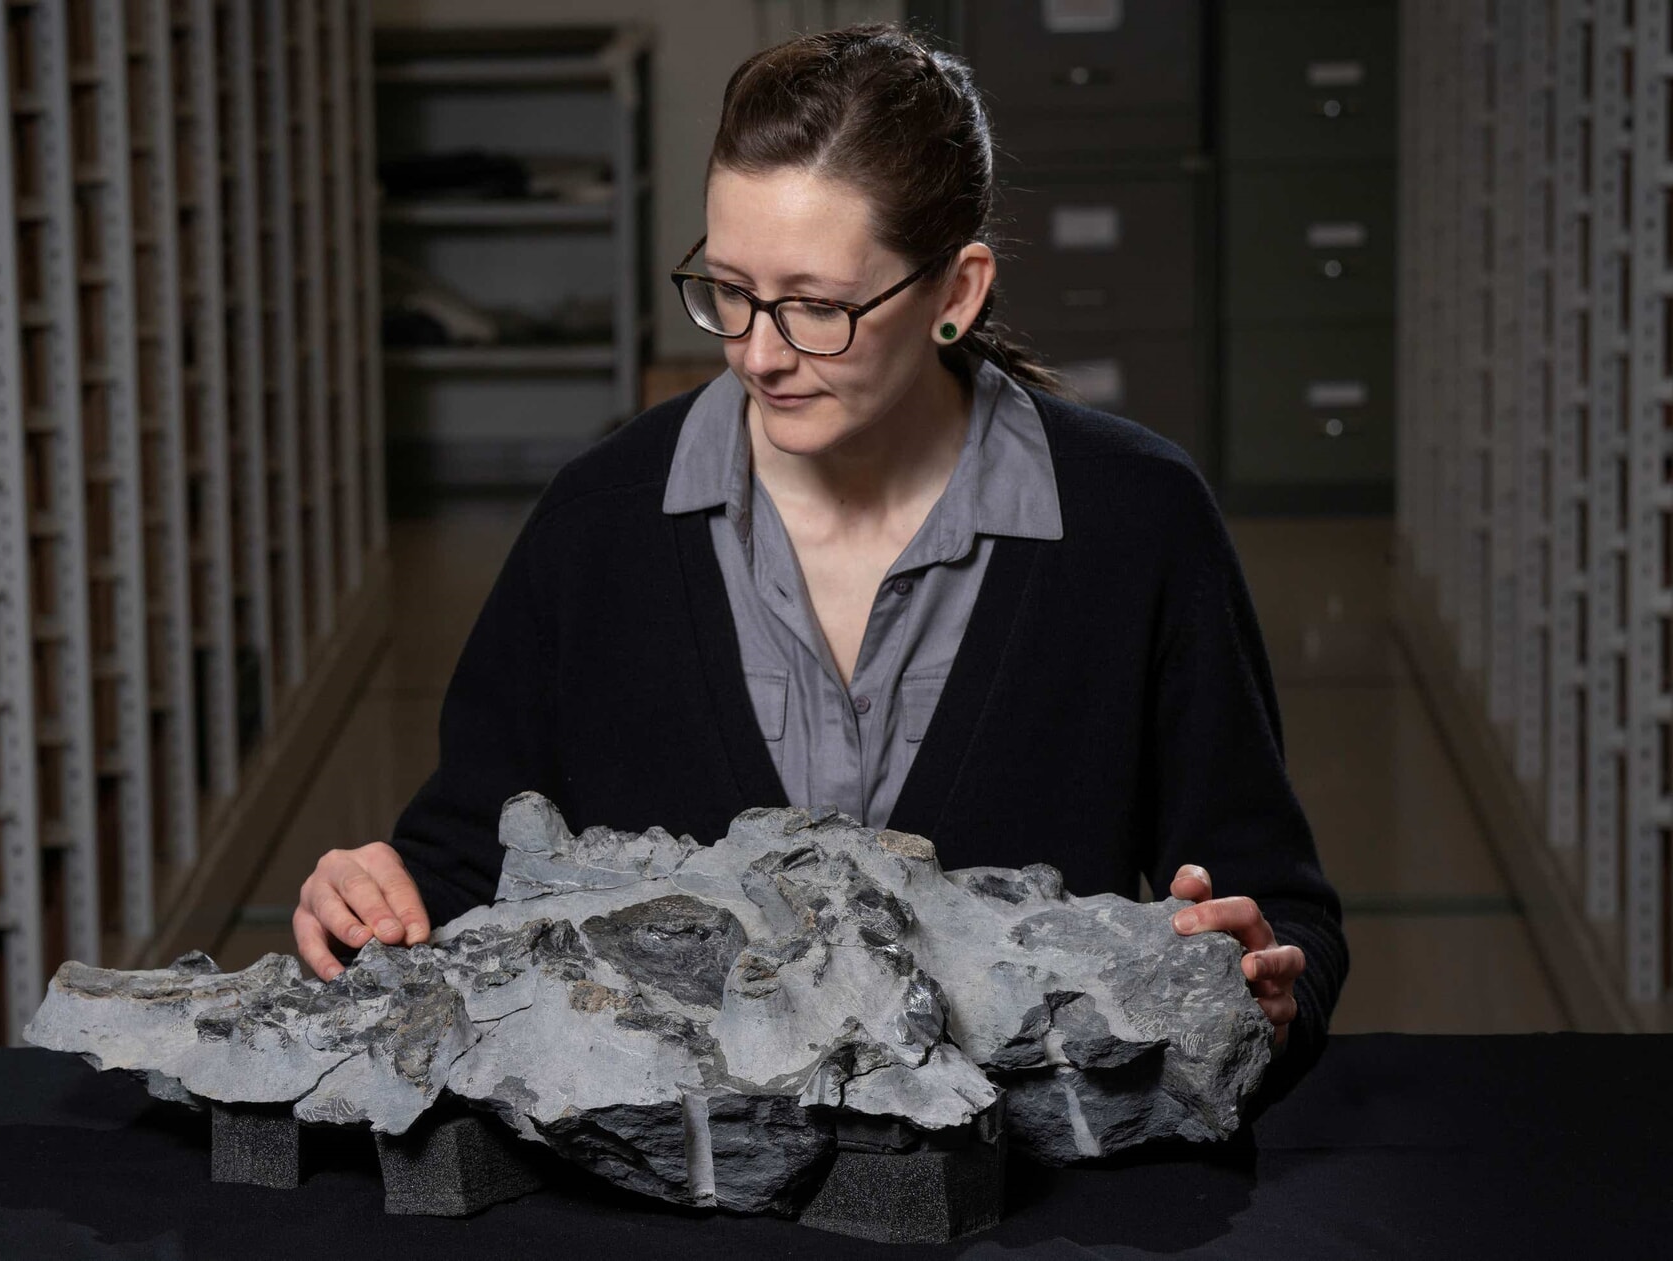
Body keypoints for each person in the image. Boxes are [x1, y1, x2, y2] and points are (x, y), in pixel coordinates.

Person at [296, 23, 1346, 1101]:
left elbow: (1281, 914)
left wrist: (1267, 991)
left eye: (814, 307)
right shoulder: (597, 523)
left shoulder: (1137, 523)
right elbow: (468, 867)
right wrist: (374, 902)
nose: (757, 350)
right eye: (729, 290)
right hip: (681, 1193)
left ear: (956, 292)